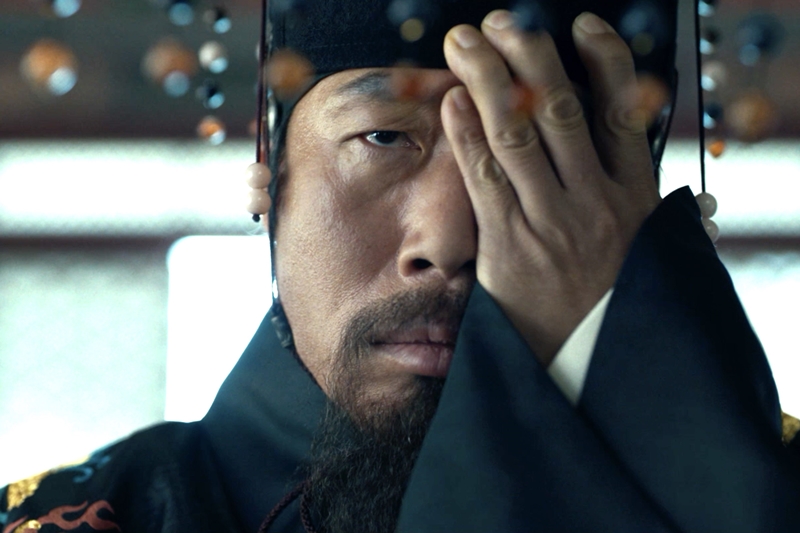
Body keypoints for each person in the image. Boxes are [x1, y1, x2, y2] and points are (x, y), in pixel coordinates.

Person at [3, 1, 800, 532]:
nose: (448, 241)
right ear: (267, 177)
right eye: (383, 137)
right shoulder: (85, 516)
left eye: (540, 157)